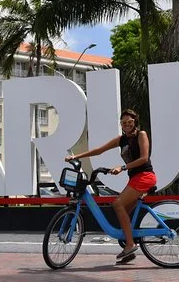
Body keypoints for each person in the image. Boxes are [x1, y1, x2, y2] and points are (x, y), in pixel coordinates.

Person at [64, 109, 157, 262]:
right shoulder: (121, 140)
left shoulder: (141, 135)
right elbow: (99, 150)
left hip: (145, 176)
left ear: (135, 123)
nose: (127, 124)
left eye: (130, 122)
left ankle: (130, 244)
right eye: (124, 122)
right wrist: (75, 156)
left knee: (117, 203)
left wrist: (122, 167)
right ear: (121, 124)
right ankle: (129, 248)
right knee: (122, 212)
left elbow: (144, 158)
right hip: (134, 178)